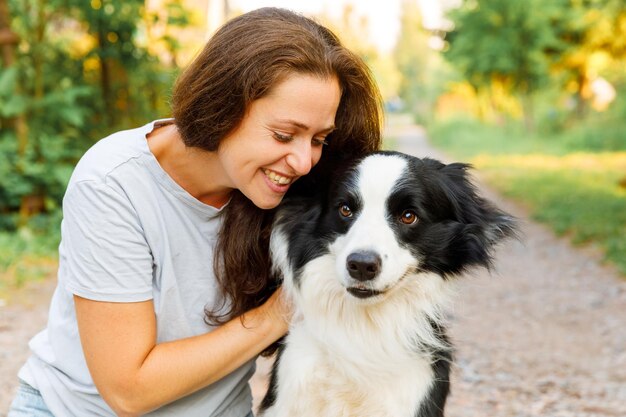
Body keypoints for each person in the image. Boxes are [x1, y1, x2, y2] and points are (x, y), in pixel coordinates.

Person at [8, 7, 382, 417]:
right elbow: (129, 389)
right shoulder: (113, 184)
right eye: (284, 135)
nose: (304, 161)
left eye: (318, 139)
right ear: (223, 105)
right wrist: (282, 310)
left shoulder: (298, 191)